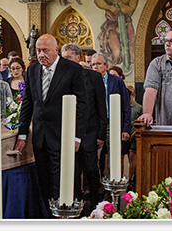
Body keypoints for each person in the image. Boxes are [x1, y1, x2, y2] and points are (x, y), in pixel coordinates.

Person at [13, 34, 87, 209]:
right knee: (43, 179)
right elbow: (27, 105)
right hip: (40, 137)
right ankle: (46, 216)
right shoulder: (32, 71)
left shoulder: (72, 70)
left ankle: (64, 215)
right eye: (38, 50)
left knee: (61, 180)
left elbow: (83, 106)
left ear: (56, 50)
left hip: (63, 136)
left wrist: (77, 137)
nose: (41, 55)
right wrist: (22, 134)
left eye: (45, 50)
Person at [61, 43, 106, 209]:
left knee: (91, 169)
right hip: (67, 132)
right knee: (72, 171)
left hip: (89, 131)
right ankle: (75, 204)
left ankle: (96, 203)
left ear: (78, 57)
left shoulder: (93, 77)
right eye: (62, 58)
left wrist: (101, 134)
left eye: (68, 58)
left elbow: (101, 106)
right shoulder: (61, 77)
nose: (64, 61)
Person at [90, 54, 131, 180]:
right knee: (97, 157)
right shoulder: (90, 80)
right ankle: (99, 185)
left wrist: (126, 128)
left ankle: (113, 185)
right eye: (93, 65)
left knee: (113, 156)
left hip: (113, 122)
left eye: (98, 64)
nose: (95, 67)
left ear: (106, 66)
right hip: (96, 123)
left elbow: (125, 105)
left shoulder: (116, 81)